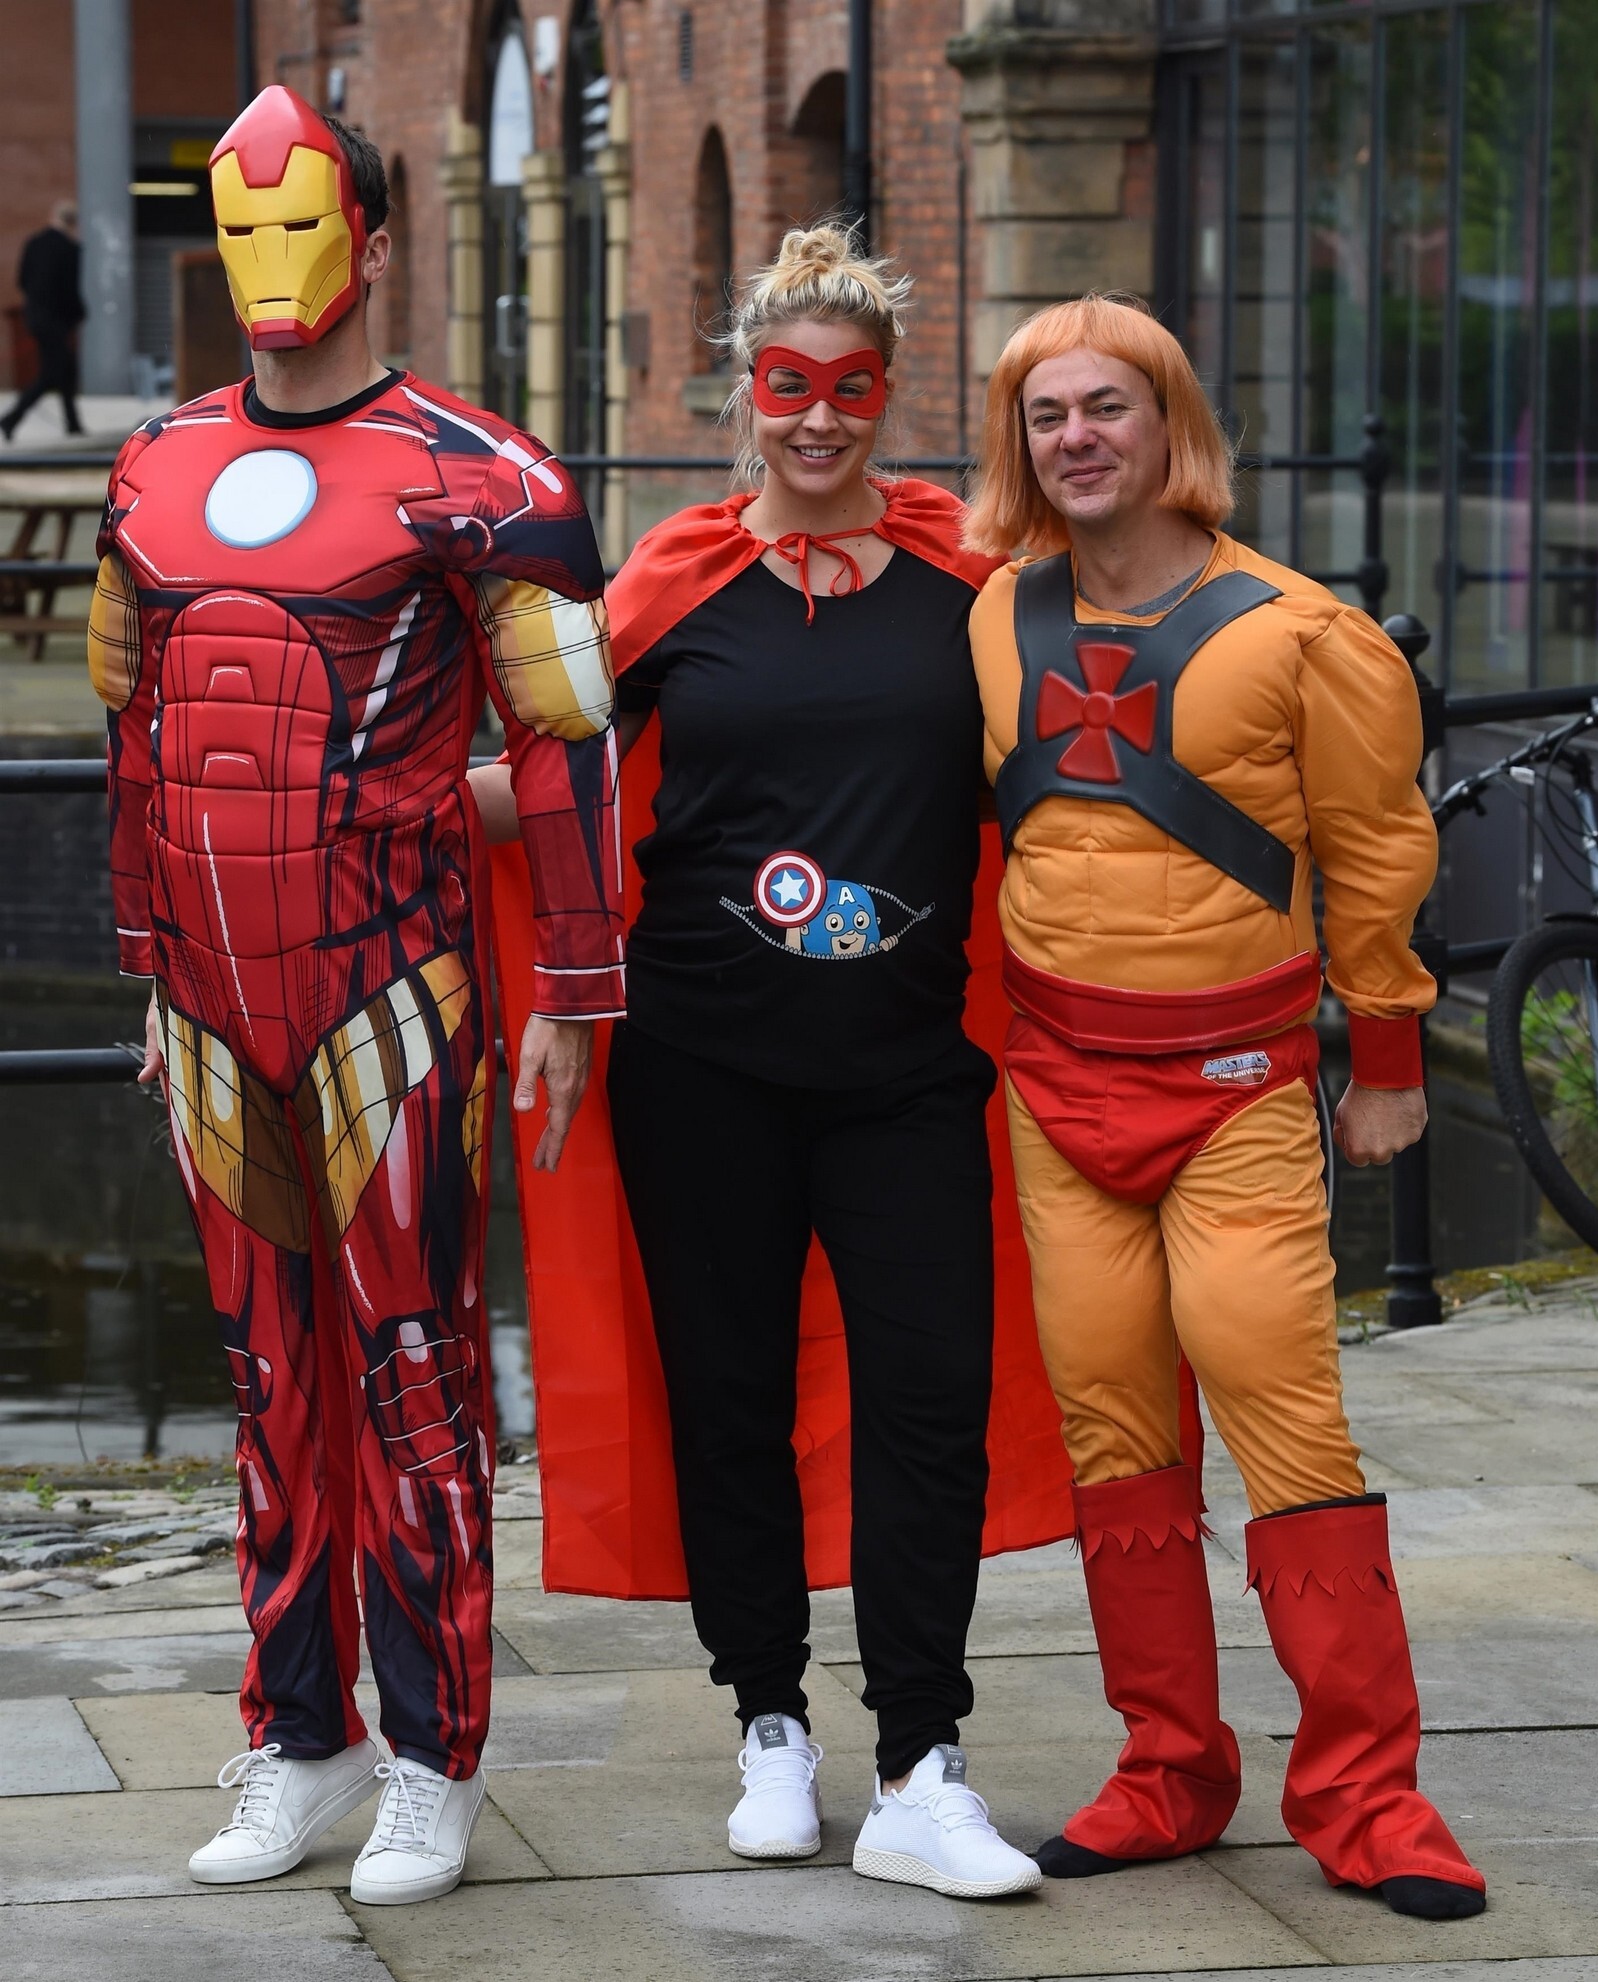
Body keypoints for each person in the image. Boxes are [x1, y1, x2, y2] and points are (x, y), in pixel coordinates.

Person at [86, 86, 623, 1904]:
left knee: (413, 1371)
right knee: (263, 1376)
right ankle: (301, 1734)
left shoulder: (490, 476)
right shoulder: (151, 465)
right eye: (235, 226)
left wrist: (577, 984)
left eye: (301, 221)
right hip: (211, 1004)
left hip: (392, 985)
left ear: (374, 243)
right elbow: (136, 735)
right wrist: (149, 967)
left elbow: (564, 743)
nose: (269, 262)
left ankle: (436, 1753)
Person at [474, 224, 1047, 1901]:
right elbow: (550, 769)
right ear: (745, 391)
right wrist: (361, 793)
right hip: (701, 1063)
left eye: (849, 389)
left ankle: (921, 1759)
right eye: (787, 384)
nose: (816, 418)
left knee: (929, 1403)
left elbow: (1077, 751)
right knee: (728, 1399)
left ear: (889, 396)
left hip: (909, 1069)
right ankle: (771, 1724)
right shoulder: (676, 578)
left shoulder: (970, 576)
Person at [963, 293, 1487, 1921]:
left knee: (1285, 1409)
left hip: (1237, 1091)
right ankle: (1168, 1768)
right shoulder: (994, 614)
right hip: (1059, 1094)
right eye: (1047, 414)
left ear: (1171, 422)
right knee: (1114, 1430)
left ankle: (1369, 1794)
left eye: (1107, 405)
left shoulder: (1305, 635)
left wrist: (1387, 1062)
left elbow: (1380, 852)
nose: (1078, 438)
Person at [2, 201, 85, 441]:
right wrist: (78, 314)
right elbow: (69, 290)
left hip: (34, 317)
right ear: (72, 223)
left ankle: (73, 424)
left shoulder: (34, 243)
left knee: (66, 368)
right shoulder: (69, 249)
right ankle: (11, 418)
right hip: (57, 321)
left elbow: (22, 280)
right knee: (52, 373)